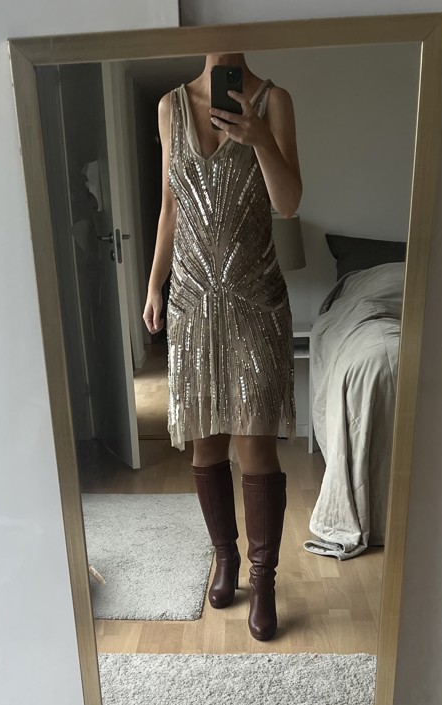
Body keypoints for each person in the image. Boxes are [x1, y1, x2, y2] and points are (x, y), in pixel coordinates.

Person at [143, 53, 302, 641]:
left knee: (254, 443)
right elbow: (171, 207)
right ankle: (225, 557)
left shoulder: (273, 101)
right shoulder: (170, 107)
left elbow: (288, 202)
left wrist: (260, 138)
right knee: (204, 442)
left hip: (254, 299)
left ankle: (263, 579)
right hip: (190, 300)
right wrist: (155, 284)